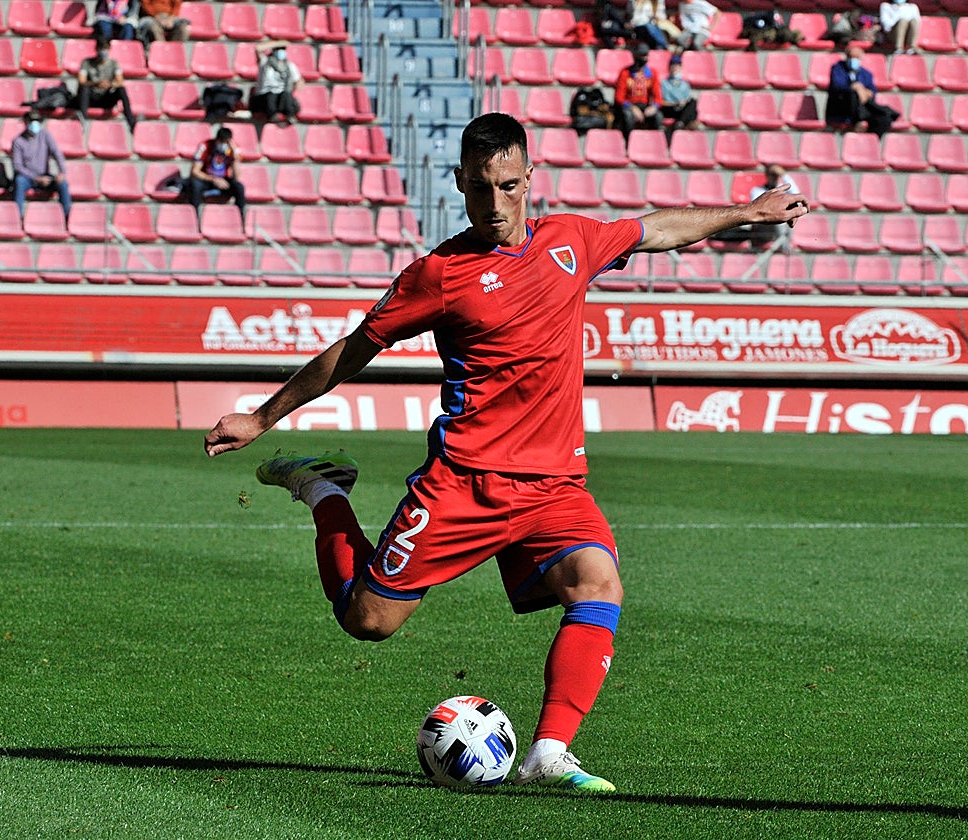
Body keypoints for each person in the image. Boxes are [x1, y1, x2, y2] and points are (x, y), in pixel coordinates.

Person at [203, 112, 808, 792]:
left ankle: (549, 754)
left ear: (529, 179)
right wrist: (260, 416)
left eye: (508, 185)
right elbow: (354, 349)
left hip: (554, 485)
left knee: (597, 584)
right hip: (464, 484)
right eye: (478, 188)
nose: (494, 204)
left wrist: (749, 211)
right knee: (367, 622)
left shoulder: (571, 242)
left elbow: (658, 228)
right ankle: (324, 490)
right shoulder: (439, 274)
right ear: (460, 184)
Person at [10, 111, 71, 221]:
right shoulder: (18, 141)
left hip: (45, 176)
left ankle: (67, 218)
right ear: (25, 122)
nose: (34, 123)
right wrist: (36, 178)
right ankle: (17, 217)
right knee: (19, 181)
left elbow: (57, 153)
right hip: (28, 178)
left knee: (63, 184)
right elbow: (18, 166)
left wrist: (62, 172)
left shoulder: (45, 135)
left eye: (37, 121)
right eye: (31, 121)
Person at [76, 37, 138, 132]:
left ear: (109, 49)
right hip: (92, 98)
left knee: (121, 90)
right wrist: (95, 83)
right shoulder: (86, 63)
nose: (103, 51)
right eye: (101, 48)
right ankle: (82, 122)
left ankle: (131, 123)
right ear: (96, 49)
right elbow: (81, 81)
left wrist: (109, 84)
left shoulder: (114, 64)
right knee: (84, 89)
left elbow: (120, 81)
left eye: (106, 48)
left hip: (106, 98)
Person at [184, 126, 246, 222]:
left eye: (226, 142)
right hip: (207, 179)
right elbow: (194, 172)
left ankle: (240, 219)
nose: (223, 144)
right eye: (221, 141)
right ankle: (193, 219)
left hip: (223, 181)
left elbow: (237, 177)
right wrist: (213, 179)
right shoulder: (205, 146)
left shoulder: (233, 150)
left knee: (239, 187)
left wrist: (234, 157)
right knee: (195, 185)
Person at [613, 43, 662, 137]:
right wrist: (632, 108)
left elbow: (657, 97)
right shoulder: (625, 73)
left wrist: (654, 107)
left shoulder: (652, 73)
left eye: (645, 55)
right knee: (627, 116)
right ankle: (629, 142)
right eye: (641, 55)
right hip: (628, 106)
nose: (643, 58)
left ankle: (653, 142)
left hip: (644, 106)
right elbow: (619, 97)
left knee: (658, 116)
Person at [825, 44, 876, 132]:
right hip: (840, 106)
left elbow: (872, 91)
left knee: (885, 116)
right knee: (853, 94)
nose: (853, 60)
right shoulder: (837, 68)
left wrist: (863, 90)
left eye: (856, 57)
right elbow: (837, 85)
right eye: (851, 57)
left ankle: (873, 139)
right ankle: (857, 121)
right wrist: (855, 87)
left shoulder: (866, 74)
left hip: (862, 106)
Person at [250, 41, 303, 123]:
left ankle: (289, 115)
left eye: (283, 49)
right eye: (279, 49)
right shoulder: (265, 61)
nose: (281, 51)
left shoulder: (289, 65)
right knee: (271, 95)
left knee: (287, 95)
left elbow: (299, 81)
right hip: (265, 96)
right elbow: (258, 48)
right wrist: (279, 43)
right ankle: (272, 115)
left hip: (281, 98)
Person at [748, 164, 801, 245]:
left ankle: (784, 245)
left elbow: (797, 195)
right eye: (772, 175)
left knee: (789, 216)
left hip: (779, 226)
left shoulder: (783, 189)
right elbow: (757, 209)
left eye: (776, 175)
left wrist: (784, 174)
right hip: (765, 227)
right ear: (767, 175)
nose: (774, 177)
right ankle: (784, 246)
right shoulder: (757, 191)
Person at [658, 55, 699, 133]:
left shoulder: (685, 84)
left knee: (693, 103)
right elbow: (661, 101)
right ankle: (681, 123)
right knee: (692, 114)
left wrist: (683, 102)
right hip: (669, 108)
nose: (675, 68)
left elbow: (687, 99)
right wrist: (675, 103)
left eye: (677, 66)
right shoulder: (664, 83)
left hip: (681, 109)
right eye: (673, 65)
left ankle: (680, 123)